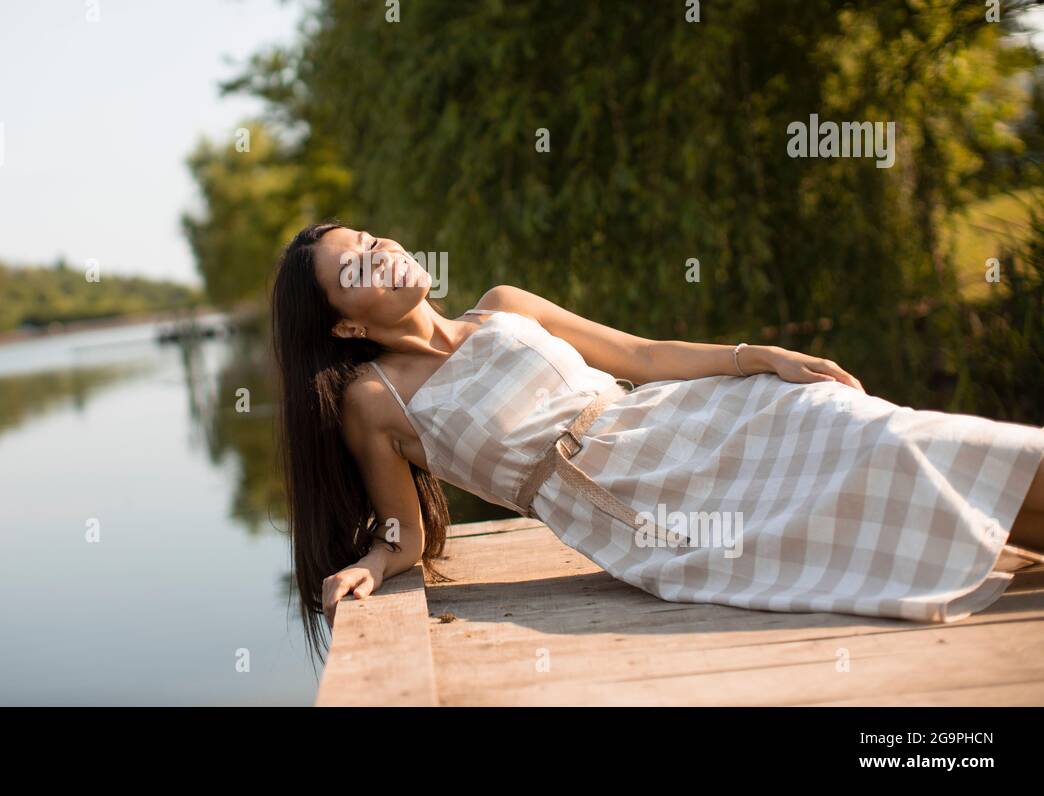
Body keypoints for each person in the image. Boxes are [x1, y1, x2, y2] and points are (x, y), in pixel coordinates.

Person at [270, 221, 1044, 660]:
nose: (381, 250)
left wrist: (757, 357)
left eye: (371, 237)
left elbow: (639, 357)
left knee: (877, 429)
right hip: (641, 503)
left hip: (689, 420)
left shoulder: (502, 306)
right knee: (883, 469)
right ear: (344, 323)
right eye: (355, 267)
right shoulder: (375, 400)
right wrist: (371, 563)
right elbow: (403, 531)